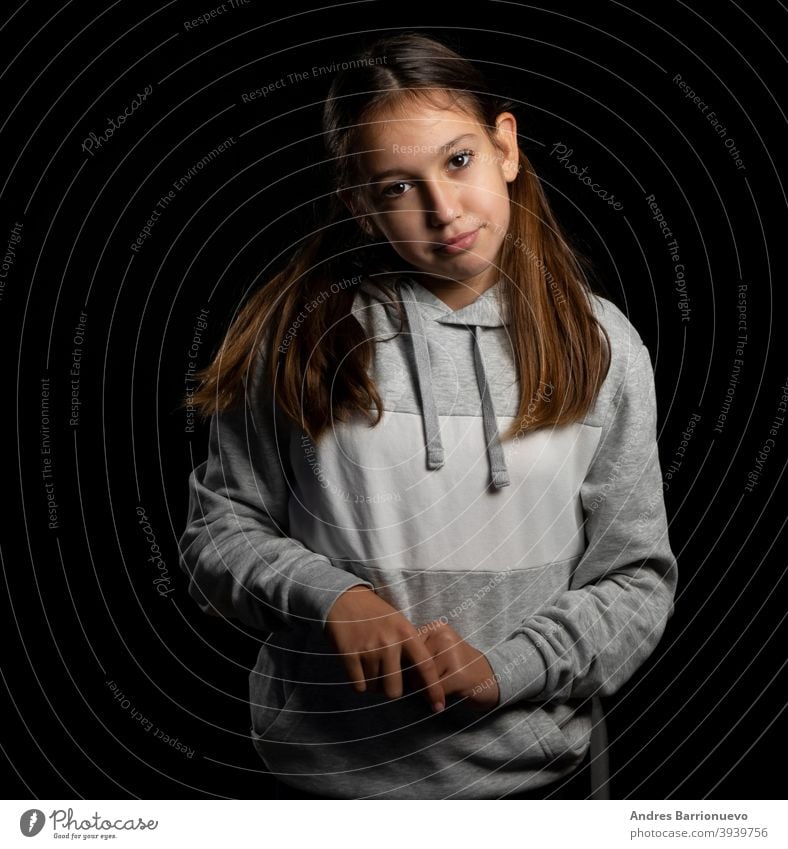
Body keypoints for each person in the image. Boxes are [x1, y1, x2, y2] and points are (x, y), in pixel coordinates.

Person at [176, 31, 678, 800]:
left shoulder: (601, 345)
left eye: (458, 160)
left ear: (505, 145)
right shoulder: (298, 336)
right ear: (360, 204)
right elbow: (219, 530)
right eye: (396, 186)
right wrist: (331, 594)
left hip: (534, 785)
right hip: (321, 786)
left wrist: (506, 666)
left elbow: (634, 579)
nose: (444, 210)